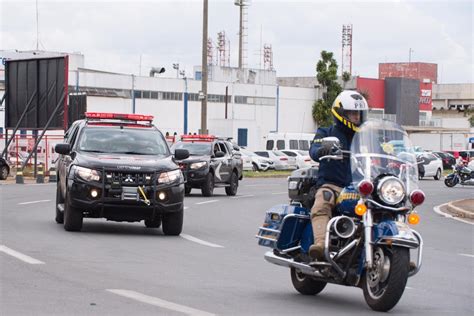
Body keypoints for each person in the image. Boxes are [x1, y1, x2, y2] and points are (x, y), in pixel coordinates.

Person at [308, 90, 368, 261]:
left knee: (383, 207)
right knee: (322, 203)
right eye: (352, 113)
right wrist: (322, 150)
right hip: (333, 185)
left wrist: (393, 155)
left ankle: (394, 248)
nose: (357, 117)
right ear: (341, 113)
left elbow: (381, 150)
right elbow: (313, 150)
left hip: (360, 188)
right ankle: (320, 244)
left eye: (359, 113)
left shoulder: (365, 136)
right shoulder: (326, 132)